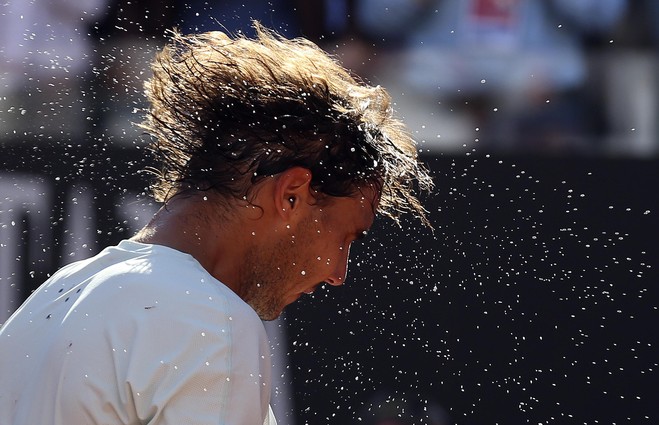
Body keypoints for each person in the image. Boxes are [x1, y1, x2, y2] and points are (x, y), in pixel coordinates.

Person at [0, 22, 433, 425]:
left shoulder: (54, 295)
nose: (337, 273)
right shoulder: (209, 321)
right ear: (291, 195)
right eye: (346, 237)